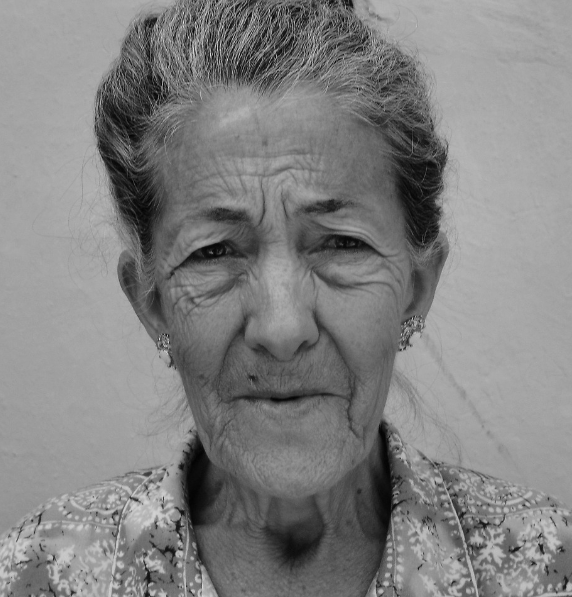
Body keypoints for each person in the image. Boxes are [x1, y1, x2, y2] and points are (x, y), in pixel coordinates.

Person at [0, 0, 570, 595]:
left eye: (341, 244)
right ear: (152, 303)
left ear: (416, 288)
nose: (281, 327)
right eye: (214, 252)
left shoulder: (541, 568)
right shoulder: (42, 574)